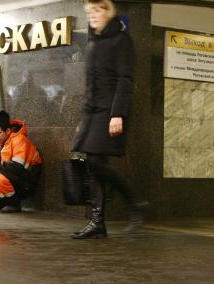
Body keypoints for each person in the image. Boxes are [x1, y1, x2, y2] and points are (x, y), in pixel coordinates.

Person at [71, 0, 146, 239]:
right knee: (92, 163)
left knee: (95, 163)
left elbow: (126, 80)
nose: (92, 15)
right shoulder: (94, 41)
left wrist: (117, 113)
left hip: (109, 109)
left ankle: (134, 203)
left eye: (97, 10)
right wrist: (84, 118)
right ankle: (97, 222)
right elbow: (90, 84)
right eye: (89, 11)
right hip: (93, 111)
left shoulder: (121, 40)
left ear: (108, 11)